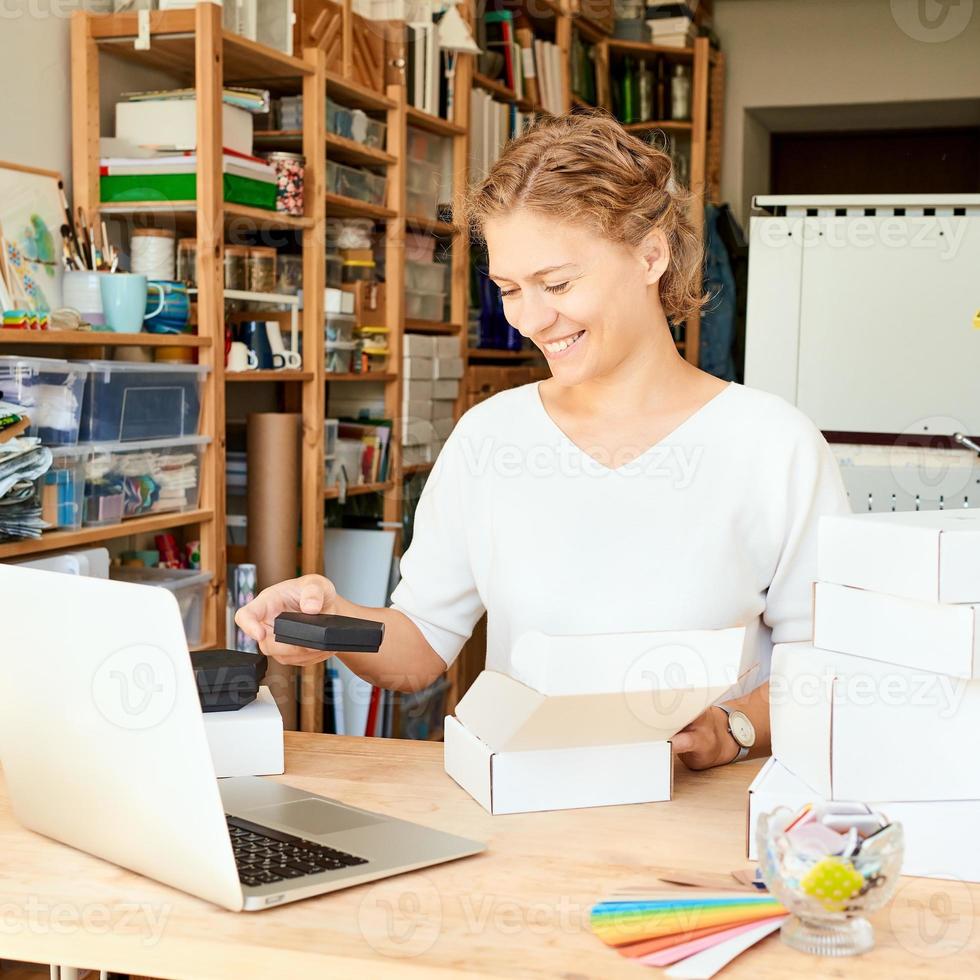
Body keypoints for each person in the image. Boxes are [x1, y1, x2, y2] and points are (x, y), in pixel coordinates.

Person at [236, 112, 850, 770]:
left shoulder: (772, 445)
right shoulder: (491, 437)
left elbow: (829, 666)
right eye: (508, 289)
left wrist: (733, 728)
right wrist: (333, 619)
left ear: (651, 254)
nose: (531, 318)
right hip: (520, 815)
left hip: (699, 831)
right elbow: (418, 650)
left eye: (557, 284)